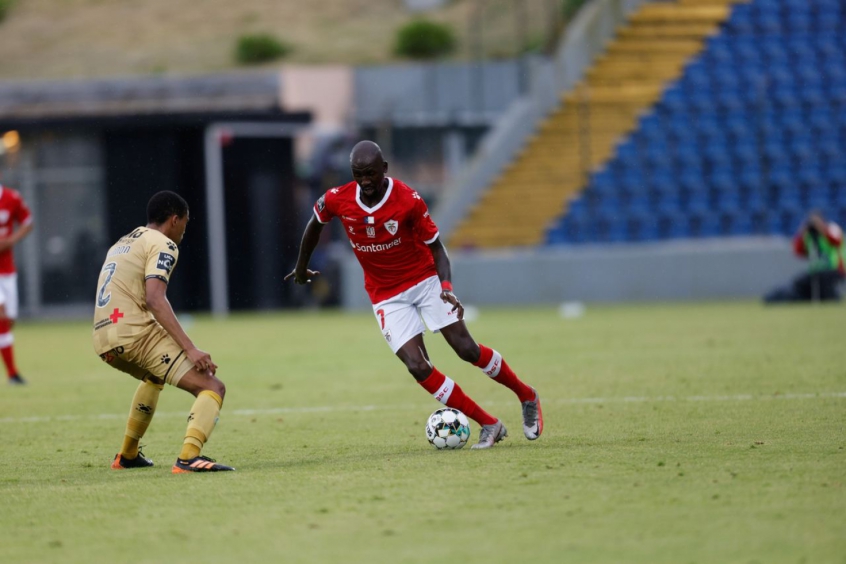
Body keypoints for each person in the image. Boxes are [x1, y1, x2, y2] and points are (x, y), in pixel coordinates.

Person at [285, 140, 543, 449]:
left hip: (424, 281)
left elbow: (437, 248)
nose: (365, 181)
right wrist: (301, 267)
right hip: (385, 295)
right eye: (358, 174)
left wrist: (446, 288)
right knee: (417, 366)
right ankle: (489, 423)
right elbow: (314, 225)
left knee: (466, 349)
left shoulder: (407, 199)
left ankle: (526, 394)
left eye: (370, 173)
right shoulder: (338, 198)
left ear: (385, 169)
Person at [93, 191, 234, 473]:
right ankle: (188, 458)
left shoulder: (122, 242)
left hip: (103, 338)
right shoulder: (163, 243)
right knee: (212, 386)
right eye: (185, 221)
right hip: (134, 334)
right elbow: (155, 299)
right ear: (174, 219)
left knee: (154, 376)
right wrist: (190, 348)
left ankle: (128, 455)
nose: (184, 228)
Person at [764, 211, 845, 303]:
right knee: (800, 283)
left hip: (834, 269)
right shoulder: (809, 236)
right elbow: (798, 251)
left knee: (825, 286)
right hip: (816, 271)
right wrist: (803, 230)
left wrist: (821, 229)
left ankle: (832, 298)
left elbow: (837, 241)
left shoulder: (831, 228)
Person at [0, 182, 34, 385]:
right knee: (2, 318)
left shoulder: (12, 198)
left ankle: (12, 372)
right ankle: (13, 374)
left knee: (9, 319)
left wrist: (11, 240)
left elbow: (28, 222)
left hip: (7, 271)